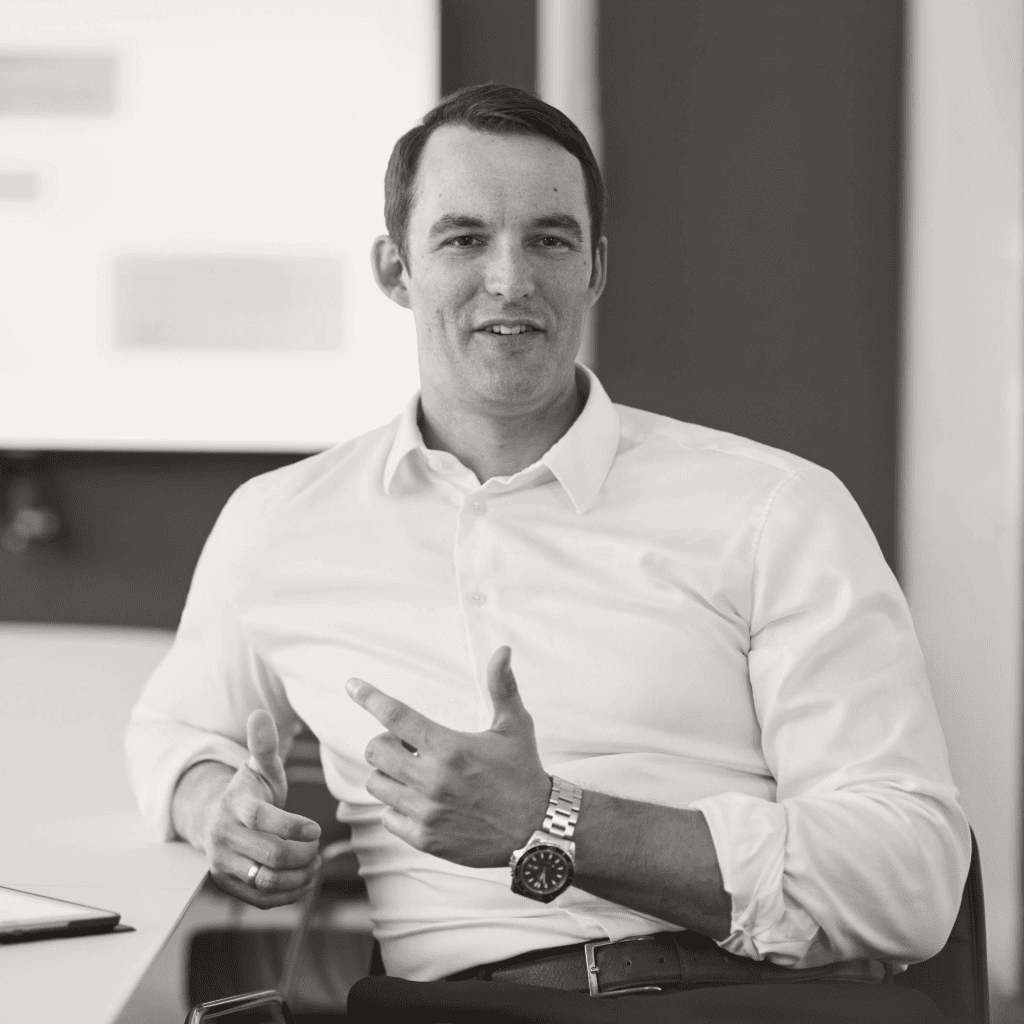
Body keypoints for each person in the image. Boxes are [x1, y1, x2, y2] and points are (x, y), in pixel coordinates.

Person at [126, 82, 969, 1023]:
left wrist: (551, 820)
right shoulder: (278, 525)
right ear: (396, 269)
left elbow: (911, 875)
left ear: (595, 267)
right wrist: (217, 810)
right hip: (469, 1013)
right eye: (464, 239)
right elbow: (176, 735)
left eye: (550, 241)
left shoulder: (775, 508)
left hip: (757, 1001)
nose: (510, 280)